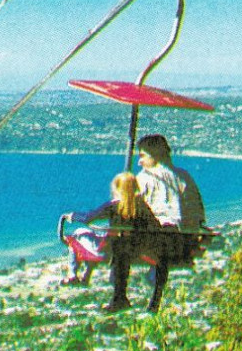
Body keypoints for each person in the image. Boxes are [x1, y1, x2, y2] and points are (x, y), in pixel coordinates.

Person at [130, 133, 207, 311]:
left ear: (155, 155)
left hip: (157, 240)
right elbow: (198, 214)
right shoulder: (184, 176)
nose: (139, 162)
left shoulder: (145, 179)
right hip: (184, 241)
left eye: (142, 156)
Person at [68, 171, 162, 312]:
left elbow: (89, 217)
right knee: (121, 246)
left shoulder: (113, 206)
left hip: (111, 250)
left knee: (79, 233)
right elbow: (155, 226)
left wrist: (73, 216)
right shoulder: (142, 206)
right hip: (134, 250)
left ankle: (73, 274)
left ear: (117, 188)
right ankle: (118, 298)